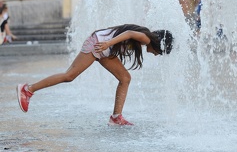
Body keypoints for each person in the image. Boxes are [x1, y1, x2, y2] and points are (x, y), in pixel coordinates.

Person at [16, 24, 174, 125]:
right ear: (159, 45)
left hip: (105, 50)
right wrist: (108, 43)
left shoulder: (144, 38)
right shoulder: (146, 38)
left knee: (125, 78)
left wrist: (109, 46)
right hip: (98, 45)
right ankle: (28, 89)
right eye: (160, 52)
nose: (157, 55)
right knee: (69, 76)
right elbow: (129, 33)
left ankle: (116, 117)